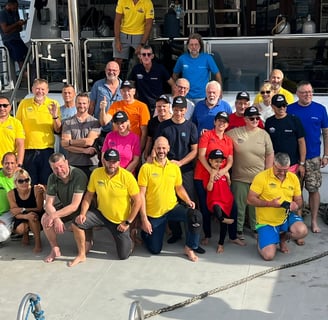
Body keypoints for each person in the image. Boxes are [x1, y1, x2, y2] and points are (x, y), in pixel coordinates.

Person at [69, 148, 142, 266]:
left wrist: (127, 222)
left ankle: (130, 238)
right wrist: (82, 213)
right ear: (104, 161)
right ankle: (82, 253)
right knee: (77, 223)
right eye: (109, 161)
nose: (111, 164)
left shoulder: (127, 176)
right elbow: (88, 195)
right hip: (101, 214)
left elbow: (138, 201)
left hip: (120, 221)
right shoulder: (96, 173)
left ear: (119, 162)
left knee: (123, 255)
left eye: (114, 161)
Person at [138, 136, 203, 262]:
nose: (161, 150)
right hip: (155, 213)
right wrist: (144, 219)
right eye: (158, 148)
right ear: (154, 149)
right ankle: (145, 233)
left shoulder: (174, 167)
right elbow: (141, 195)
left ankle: (190, 247)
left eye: (163, 148)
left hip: (172, 208)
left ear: (168, 149)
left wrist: (187, 200)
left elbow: (179, 187)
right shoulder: (146, 168)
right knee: (155, 250)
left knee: (195, 216)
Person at [155, 96, 200, 251]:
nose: (178, 112)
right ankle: (176, 233)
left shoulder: (191, 127)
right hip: (166, 169)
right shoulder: (164, 126)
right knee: (170, 201)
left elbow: (194, 150)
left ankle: (192, 239)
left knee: (189, 203)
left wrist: (180, 163)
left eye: (181, 110)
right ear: (171, 109)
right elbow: (158, 147)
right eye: (176, 109)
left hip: (185, 169)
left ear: (186, 110)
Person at [247, 153, 308, 261]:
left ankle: (281, 239)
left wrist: (296, 205)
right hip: (266, 221)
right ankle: (262, 240)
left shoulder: (293, 177)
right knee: (268, 256)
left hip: (286, 216)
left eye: (285, 170)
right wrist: (270, 204)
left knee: (302, 231)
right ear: (273, 165)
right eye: (279, 170)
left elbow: (299, 200)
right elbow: (250, 200)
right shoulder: (261, 177)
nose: (282, 173)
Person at [227, 106, 274, 240]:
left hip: (259, 178)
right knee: (239, 206)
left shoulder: (264, 134)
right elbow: (221, 140)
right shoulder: (234, 133)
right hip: (239, 177)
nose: (255, 120)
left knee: (256, 207)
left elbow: (270, 154)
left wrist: (267, 174)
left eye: (257, 118)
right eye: (252, 118)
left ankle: (256, 229)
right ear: (245, 119)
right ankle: (238, 231)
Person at [287, 81, 328, 233]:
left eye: (310, 92)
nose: (308, 95)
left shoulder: (320, 109)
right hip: (294, 159)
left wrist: (326, 155)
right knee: (294, 191)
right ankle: (297, 222)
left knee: (313, 189)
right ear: (297, 94)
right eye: (304, 92)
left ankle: (314, 221)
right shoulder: (290, 110)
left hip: (313, 158)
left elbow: (326, 133)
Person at [194, 111, 233, 245]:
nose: (221, 123)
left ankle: (224, 238)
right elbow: (201, 155)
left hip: (219, 179)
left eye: (224, 121)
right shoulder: (206, 135)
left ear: (227, 124)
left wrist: (221, 172)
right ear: (214, 122)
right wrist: (211, 171)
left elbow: (230, 161)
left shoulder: (228, 140)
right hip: (202, 176)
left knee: (220, 206)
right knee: (205, 208)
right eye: (219, 120)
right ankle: (208, 235)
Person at [41, 153, 88, 263]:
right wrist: (56, 219)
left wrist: (54, 215)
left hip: (81, 209)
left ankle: (87, 242)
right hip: (65, 207)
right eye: (55, 168)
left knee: (86, 246)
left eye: (61, 166)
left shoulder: (78, 175)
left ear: (67, 162)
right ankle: (54, 248)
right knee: (45, 218)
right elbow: (48, 203)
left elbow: (74, 206)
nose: (59, 170)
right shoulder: (52, 177)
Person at [16, 78, 61, 185]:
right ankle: (34, 202)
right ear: (32, 89)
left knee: (46, 181)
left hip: (46, 149)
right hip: (28, 149)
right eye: (37, 88)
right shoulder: (24, 103)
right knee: (30, 182)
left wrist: (54, 116)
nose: (40, 91)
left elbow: (58, 129)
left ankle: (45, 202)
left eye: (42, 89)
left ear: (47, 91)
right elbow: (17, 125)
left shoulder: (53, 104)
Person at [204, 149, 245, 253]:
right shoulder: (208, 173)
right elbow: (208, 188)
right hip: (215, 200)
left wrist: (228, 178)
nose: (218, 163)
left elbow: (228, 185)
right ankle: (223, 219)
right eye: (216, 161)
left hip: (226, 200)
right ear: (210, 161)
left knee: (223, 225)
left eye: (220, 161)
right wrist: (212, 177)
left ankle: (220, 244)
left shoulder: (224, 172)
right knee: (218, 213)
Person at [99, 79, 150, 152]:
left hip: (133, 145)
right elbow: (104, 122)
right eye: (123, 90)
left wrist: (139, 151)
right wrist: (103, 109)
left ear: (134, 91)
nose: (126, 93)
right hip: (117, 144)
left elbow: (144, 132)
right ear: (120, 92)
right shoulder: (116, 105)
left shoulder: (142, 106)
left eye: (129, 90)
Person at [172, 33, 222, 104]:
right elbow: (175, 75)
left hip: (203, 97)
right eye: (191, 45)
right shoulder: (182, 59)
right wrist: (175, 91)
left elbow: (217, 74)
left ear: (200, 46)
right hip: (186, 96)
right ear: (188, 46)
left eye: (196, 44)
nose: (194, 47)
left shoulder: (207, 58)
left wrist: (219, 91)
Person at [61, 93, 101, 178]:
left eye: (84, 103)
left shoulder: (95, 122)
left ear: (88, 104)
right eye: (79, 103)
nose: (81, 105)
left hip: (91, 163)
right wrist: (84, 150)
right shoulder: (67, 122)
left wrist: (70, 142)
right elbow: (65, 145)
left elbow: (89, 142)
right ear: (75, 104)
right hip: (73, 163)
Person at [129, 44, 175, 114]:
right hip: (142, 106)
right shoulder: (136, 69)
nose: (146, 57)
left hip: (158, 106)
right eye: (144, 54)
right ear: (140, 56)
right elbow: (130, 86)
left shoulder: (160, 68)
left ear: (152, 56)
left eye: (149, 54)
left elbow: (173, 84)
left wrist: (172, 100)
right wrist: (134, 100)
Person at [7, 169, 44, 253]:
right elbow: (15, 213)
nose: (24, 183)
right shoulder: (11, 194)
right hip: (21, 216)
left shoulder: (36, 190)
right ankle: (25, 234)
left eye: (26, 180)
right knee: (20, 229)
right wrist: (25, 215)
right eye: (20, 181)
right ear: (15, 182)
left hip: (36, 214)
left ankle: (38, 242)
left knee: (32, 216)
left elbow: (39, 208)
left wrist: (23, 209)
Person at [113, 0, 154, 68]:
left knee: (143, 59)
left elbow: (149, 24)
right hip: (123, 33)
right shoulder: (122, 1)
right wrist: (117, 40)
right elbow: (117, 20)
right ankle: (115, 78)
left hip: (140, 34)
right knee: (117, 61)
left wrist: (142, 44)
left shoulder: (147, 2)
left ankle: (142, 78)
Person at [89, 61, 123, 137]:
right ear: (105, 70)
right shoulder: (97, 85)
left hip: (119, 129)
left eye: (114, 70)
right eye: (109, 70)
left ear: (119, 72)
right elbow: (91, 105)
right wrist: (88, 124)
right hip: (100, 128)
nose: (111, 72)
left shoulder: (124, 87)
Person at [0, 0, 28, 69]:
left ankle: (27, 74)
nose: (15, 10)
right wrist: (17, 24)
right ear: (9, 5)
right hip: (10, 40)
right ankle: (24, 76)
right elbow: (5, 30)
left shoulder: (15, 13)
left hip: (17, 39)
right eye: (14, 8)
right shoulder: (2, 14)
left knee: (28, 54)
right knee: (20, 59)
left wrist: (18, 25)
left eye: (17, 8)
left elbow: (20, 29)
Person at [144, 94, 172, 160]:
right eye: (159, 106)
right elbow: (149, 140)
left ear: (169, 107)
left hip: (171, 157)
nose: (161, 108)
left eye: (164, 106)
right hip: (155, 157)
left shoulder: (174, 121)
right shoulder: (152, 122)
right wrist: (146, 153)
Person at [0, 96, 24, 168]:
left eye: (5, 105)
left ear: (10, 107)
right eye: (0, 106)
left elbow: (20, 145)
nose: (2, 108)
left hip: (9, 166)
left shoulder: (16, 123)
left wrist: (19, 164)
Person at [0, 152, 17, 243]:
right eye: (6, 163)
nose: (9, 166)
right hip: (3, 214)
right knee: (2, 234)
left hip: (16, 211)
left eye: (12, 163)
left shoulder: (21, 177)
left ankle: (17, 230)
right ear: (2, 163)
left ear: (16, 164)